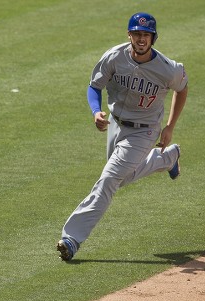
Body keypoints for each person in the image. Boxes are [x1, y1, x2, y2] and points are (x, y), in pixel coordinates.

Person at [57, 12, 188, 261]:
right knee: (120, 179)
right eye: (137, 34)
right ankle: (166, 159)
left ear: (153, 38)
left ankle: (71, 238)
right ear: (129, 35)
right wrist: (96, 112)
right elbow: (94, 86)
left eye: (146, 35)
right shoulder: (114, 57)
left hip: (144, 130)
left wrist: (169, 126)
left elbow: (182, 89)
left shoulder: (167, 69)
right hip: (116, 124)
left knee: (109, 179)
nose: (141, 39)